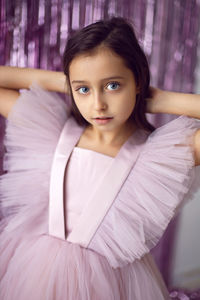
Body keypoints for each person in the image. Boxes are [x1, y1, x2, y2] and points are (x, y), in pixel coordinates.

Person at [0, 16, 200, 300]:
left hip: (114, 285)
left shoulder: (158, 158)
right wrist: (65, 81)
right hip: (32, 273)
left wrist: (164, 99)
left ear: (138, 81)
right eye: (84, 89)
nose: (98, 105)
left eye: (113, 86)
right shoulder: (52, 133)